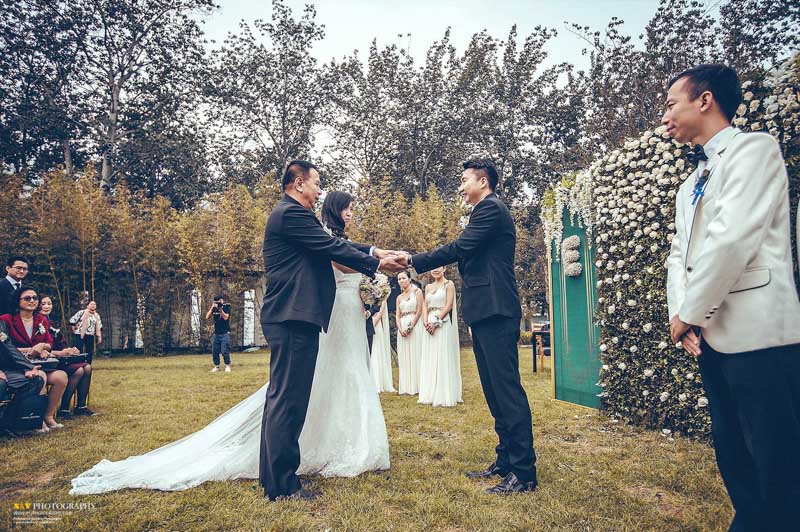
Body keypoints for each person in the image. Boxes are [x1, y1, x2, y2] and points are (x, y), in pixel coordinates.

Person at [70, 179, 401, 498]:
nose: (319, 191)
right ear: (298, 183)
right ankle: (281, 484)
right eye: (316, 184)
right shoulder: (291, 214)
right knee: (287, 401)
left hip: (295, 318)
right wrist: (376, 261)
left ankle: (277, 476)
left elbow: (335, 245)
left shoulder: (295, 216)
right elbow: (330, 246)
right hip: (292, 317)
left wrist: (374, 251)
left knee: (288, 400)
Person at [663, 64, 800, 531]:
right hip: (709, 338)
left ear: (704, 100)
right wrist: (680, 314)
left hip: (761, 335)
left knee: (777, 460)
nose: (665, 117)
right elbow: (679, 254)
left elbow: (732, 239)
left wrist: (690, 312)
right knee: (734, 451)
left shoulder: (754, 150)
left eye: (671, 104)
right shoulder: (689, 184)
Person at [399, 159, 537, 495]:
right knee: (493, 391)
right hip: (484, 311)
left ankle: (523, 472)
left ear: (483, 181)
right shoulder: (481, 213)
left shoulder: (491, 209)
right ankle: (505, 460)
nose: (460, 187)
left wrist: (414, 261)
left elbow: (460, 248)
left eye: (464, 180)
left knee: (506, 390)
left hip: (496, 309)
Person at [0, 286, 68, 430]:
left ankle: (48, 416)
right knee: (40, 375)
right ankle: (36, 419)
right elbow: (6, 347)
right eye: (27, 298)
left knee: (61, 377)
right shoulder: (6, 319)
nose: (32, 301)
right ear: (17, 301)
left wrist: (43, 346)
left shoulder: (41, 320)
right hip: (16, 365)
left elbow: (49, 343)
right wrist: (30, 350)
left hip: (39, 362)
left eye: (35, 298)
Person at [39, 296, 95, 418]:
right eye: (43, 304)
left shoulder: (52, 322)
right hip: (48, 360)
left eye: (49, 303)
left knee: (87, 367)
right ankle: (64, 409)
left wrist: (70, 350)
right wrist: (60, 353)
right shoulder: (37, 323)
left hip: (61, 358)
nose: (47, 306)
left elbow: (60, 343)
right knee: (78, 370)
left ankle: (81, 407)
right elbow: (41, 349)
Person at [418, 266, 462, 407]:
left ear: (444, 269)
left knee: (442, 355)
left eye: (438, 267)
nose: (435, 270)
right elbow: (425, 305)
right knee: (430, 356)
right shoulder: (428, 287)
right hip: (428, 323)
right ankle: (430, 392)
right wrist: (425, 321)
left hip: (442, 322)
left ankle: (444, 393)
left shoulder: (449, 285)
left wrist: (436, 322)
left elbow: (448, 305)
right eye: (433, 268)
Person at [0, 318, 47, 436]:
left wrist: (29, 367)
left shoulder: (0, 324)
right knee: (1, 384)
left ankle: (6, 424)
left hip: (4, 372)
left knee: (35, 381)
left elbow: (9, 348)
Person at [395, 270, 424, 395]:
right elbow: (397, 315)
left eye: (403, 278)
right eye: (399, 279)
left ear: (409, 279)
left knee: (416, 353)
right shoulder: (399, 297)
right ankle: (407, 386)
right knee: (405, 355)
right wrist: (400, 328)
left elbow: (419, 310)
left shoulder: (417, 292)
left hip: (415, 325)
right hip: (402, 325)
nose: (401, 281)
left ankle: (419, 385)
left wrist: (411, 326)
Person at [369, 300, 396, 393]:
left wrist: (372, 324)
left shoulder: (381, 295)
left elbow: (380, 311)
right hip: (365, 322)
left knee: (376, 350)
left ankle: (377, 381)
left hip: (375, 324)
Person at [205, 295, 232, 373]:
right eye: (217, 301)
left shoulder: (226, 307)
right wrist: (212, 307)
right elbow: (207, 317)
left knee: (224, 350)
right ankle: (216, 366)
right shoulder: (214, 308)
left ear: (222, 301)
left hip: (225, 333)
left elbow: (226, 317)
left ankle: (227, 365)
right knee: (215, 351)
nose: (219, 302)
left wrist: (220, 309)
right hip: (216, 333)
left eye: (220, 301)